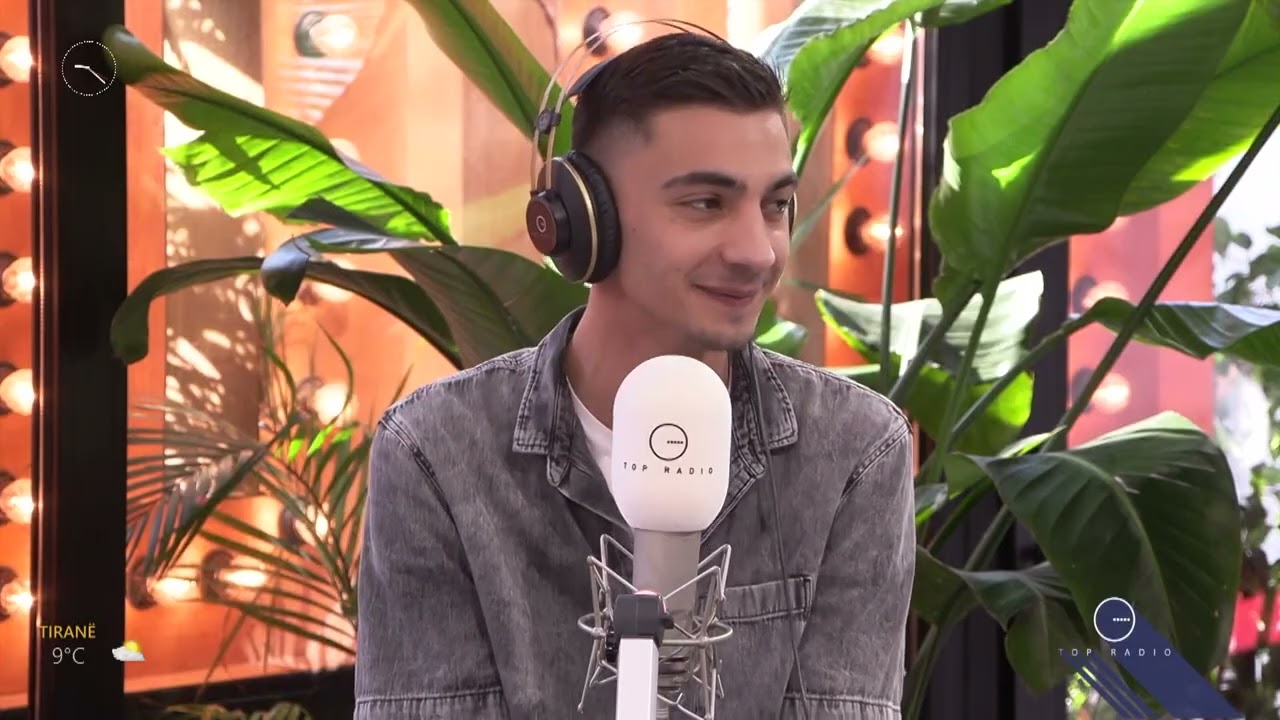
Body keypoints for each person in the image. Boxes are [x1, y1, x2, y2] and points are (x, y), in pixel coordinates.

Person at [354, 30, 915, 720]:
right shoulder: (437, 450)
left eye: (774, 205)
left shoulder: (856, 449)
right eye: (706, 203)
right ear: (584, 221)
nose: (758, 252)